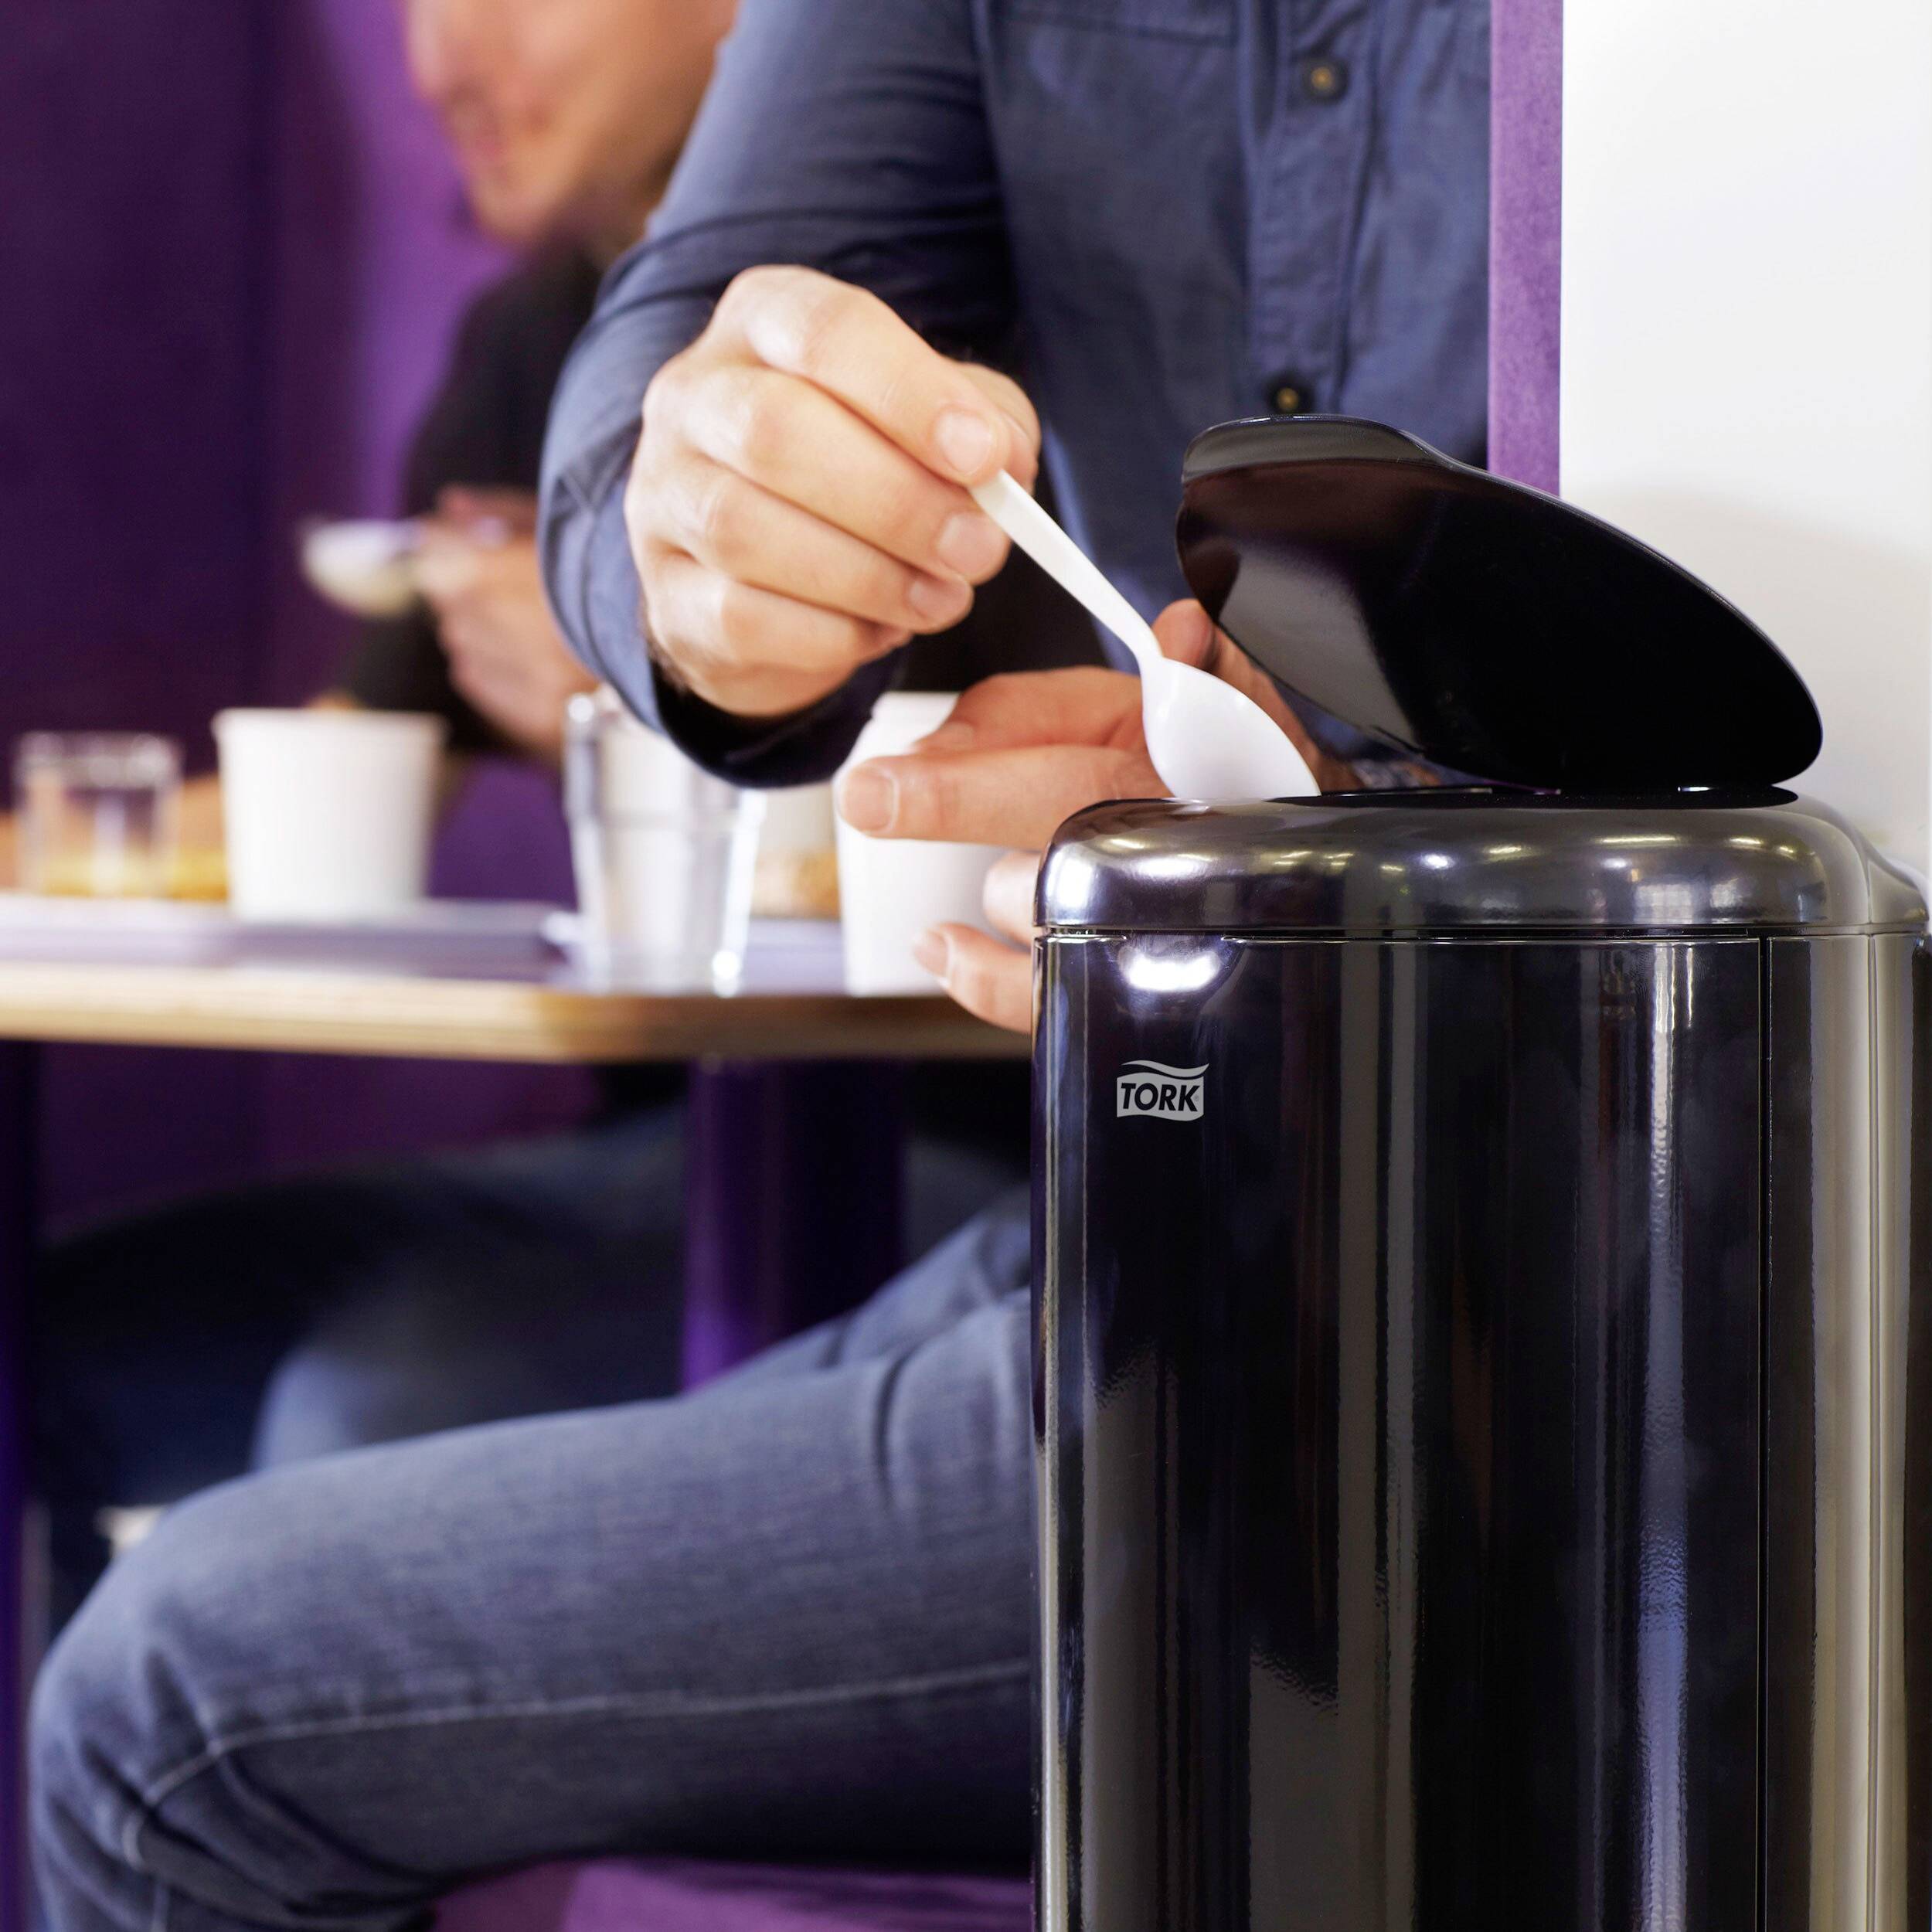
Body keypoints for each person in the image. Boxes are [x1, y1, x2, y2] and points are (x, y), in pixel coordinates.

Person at [30, 0, 1487, 1924]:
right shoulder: (560, 307)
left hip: (1512, 1284)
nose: (433, 51)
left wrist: (1414, 832)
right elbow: (668, 360)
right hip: (1136, 1195)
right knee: (208, 1458)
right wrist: (698, 548)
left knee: (176, 1699)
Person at [32, 0, 1069, 1623]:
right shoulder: (542, 345)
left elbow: (956, 829)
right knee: (64, 1340)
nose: (442, 59)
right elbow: (317, 780)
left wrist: (628, 705)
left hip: (966, 1145)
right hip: (655, 1145)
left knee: (362, 1407)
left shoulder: (949, 355)